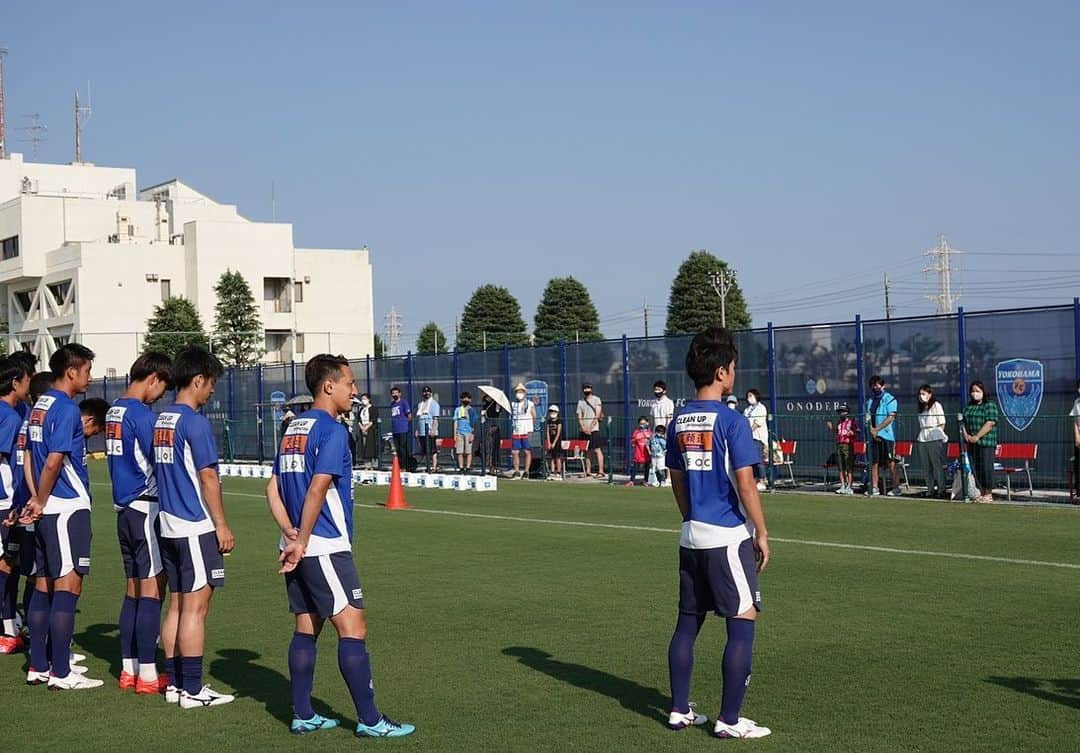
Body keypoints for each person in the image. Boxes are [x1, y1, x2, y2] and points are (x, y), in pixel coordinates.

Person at [266, 354, 415, 738]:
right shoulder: (332, 430)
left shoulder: (292, 428)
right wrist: (302, 539)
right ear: (328, 386)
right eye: (350, 383)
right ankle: (370, 721)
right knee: (353, 628)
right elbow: (318, 487)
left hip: (297, 543)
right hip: (324, 545)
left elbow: (272, 487)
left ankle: (302, 713)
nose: (355, 390)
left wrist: (290, 534)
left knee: (306, 626)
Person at [665, 326, 771, 739]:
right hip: (727, 536)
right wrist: (761, 531)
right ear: (724, 371)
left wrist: (689, 516)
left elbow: (675, 477)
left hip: (691, 534)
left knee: (688, 620)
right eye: (733, 368)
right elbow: (745, 482)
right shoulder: (732, 420)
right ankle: (729, 720)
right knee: (742, 619)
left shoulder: (678, 419)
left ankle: (679, 710)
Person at [153, 346, 235, 708]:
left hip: (168, 524)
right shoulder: (194, 422)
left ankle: (174, 684)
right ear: (198, 380)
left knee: (177, 604)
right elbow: (208, 477)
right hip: (193, 525)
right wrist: (221, 525)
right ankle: (193, 689)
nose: (212, 390)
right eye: (211, 383)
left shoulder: (162, 419)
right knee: (195, 609)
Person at [20, 343, 103, 690]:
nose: (89, 376)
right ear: (71, 371)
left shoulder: (39, 404)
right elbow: (53, 460)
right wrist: (41, 499)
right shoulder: (67, 408)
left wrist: (34, 498)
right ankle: (62, 672)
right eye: (86, 370)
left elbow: (27, 455)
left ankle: (38, 666)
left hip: (47, 509)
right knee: (68, 586)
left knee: (43, 586)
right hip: (66, 508)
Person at [105, 352, 174, 694]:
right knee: (151, 589)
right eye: (162, 387)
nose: (162, 394)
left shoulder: (114, 409)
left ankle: (129, 668)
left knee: (132, 587)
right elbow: (161, 459)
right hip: (145, 507)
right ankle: (148, 674)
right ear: (153, 378)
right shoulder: (141, 415)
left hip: (123, 509)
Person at [0, 355, 32, 654]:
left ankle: (10, 623)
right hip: (4, 499)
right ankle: (7, 626)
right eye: (27, 378)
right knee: (8, 562)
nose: (30, 383)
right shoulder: (9, 416)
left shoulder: (16, 410)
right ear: (15, 382)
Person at [961, 380, 999, 503]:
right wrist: (966, 435)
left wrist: (977, 436)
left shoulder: (990, 405)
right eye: (972, 391)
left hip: (986, 443)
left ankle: (988, 494)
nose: (974, 393)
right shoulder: (968, 407)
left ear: (983, 392)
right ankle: (981, 492)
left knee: (986, 468)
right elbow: (962, 422)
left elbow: (990, 422)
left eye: (977, 391)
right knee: (976, 468)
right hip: (971, 443)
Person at [864, 376, 901, 497]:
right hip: (874, 437)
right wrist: (871, 431)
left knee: (891, 462)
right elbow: (867, 417)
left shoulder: (890, 399)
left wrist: (877, 429)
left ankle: (896, 488)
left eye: (877, 385)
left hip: (887, 437)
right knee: (874, 463)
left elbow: (891, 417)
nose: (875, 387)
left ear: (883, 386)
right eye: (873, 385)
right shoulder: (870, 401)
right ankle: (874, 488)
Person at [914, 385, 948, 499]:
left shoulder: (936, 405)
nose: (921, 396)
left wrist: (938, 435)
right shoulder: (921, 407)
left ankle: (941, 489)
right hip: (922, 437)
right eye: (920, 394)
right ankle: (930, 490)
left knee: (936, 465)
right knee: (926, 466)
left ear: (930, 394)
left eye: (923, 393)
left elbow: (942, 422)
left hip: (934, 437)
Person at [825, 404, 858, 495]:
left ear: (847, 412)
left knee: (849, 467)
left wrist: (852, 433)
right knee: (841, 467)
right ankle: (843, 485)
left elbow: (856, 431)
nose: (841, 413)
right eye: (840, 412)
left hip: (848, 445)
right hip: (839, 445)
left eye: (843, 411)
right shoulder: (839, 422)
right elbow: (837, 432)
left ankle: (849, 487)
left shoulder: (852, 422)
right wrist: (831, 428)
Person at [575, 383, 605, 478]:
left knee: (597, 450)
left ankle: (601, 471)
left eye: (588, 388)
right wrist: (583, 428)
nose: (586, 390)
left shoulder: (597, 399)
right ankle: (588, 471)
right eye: (584, 388)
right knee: (586, 450)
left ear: (591, 389)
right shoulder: (580, 402)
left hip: (594, 430)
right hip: (583, 430)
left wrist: (590, 428)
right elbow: (579, 416)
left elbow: (597, 415)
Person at [743, 389, 768, 492]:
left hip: (757, 438)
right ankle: (753, 480)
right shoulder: (747, 410)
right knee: (750, 461)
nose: (749, 398)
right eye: (748, 396)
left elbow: (758, 423)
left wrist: (749, 431)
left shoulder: (761, 408)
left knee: (758, 461)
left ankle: (762, 481)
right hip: (748, 438)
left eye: (751, 396)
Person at [509, 384, 536, 480]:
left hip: (527, 431)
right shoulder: (513, 404)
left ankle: (526, 471)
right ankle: (516, 471)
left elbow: (534, 416)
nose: (519, 394)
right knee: (515, 452)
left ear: (524, 393)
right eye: (517, 392)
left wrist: (531, 428)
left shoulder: (530, 404)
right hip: (516, 431)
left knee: (527, 451)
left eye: (521, 392)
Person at [414, 386, 440, 472]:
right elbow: (419, 418)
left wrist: (433, 429)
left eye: (428, 392)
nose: (426, 394)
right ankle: (427, 466)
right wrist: (417, 430)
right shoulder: (420, 404)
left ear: (431, 393)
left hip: (429, 430)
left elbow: (435, 419)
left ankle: (434, 467)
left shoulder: (434, 404)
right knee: (424, 450)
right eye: (425, 392)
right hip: (422, 431)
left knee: (432, 450)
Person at [453, 392, 478, 474]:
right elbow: (455, 422)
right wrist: (455, 434)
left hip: (468, 432)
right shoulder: (458, 409)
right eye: (463, 398)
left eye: (467, 398)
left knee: (468, 451)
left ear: (470, 400)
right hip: (459, 432)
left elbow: (474, 423)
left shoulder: (472, 410)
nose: (465, 400)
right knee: (459, 451)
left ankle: (468, 467)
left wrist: (472, 434)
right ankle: (461, 467)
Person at [388, 386, 411, 468]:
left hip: (403, 429)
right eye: (393, 393)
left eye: (396, 393)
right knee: (397, 449)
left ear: (399, 394)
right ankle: (400, 466)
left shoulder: (403, 402)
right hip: (395, 430)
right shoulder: (392, 404)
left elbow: (409, 415)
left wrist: (404, 423)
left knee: (403, 448)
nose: (394, 394)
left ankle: (405, 466)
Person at [355, 394, 379, 470]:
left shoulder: (373, 408)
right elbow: (358, 419)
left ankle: (373, 464)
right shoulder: (361, 409)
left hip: (370, 429)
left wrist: (367, 427)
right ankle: (366, 463)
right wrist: (362, 427)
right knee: (363, 446)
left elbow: (374, 419)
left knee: (370, 446)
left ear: (369, 399)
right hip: (363, 428)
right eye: (362, 399)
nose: (363, 400)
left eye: (365, 399)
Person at [480, 393, 502, 475]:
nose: (487, 398)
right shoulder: (485, 406)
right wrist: (483, 415)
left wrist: (498, 406)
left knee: (494, 448)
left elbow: (498, 412)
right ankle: (489, 467)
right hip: (487, 428)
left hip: (495, 428)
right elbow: (483, 418)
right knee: (488, 448)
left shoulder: (496, 404)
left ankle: (494, 467)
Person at [627, 417, 651, 487]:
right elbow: (633, 441)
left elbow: (651, 441)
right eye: (640, 423)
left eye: (643, 423)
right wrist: (634, 441)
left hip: (646, 453)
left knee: (647, 468)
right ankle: (631, 481)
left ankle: (645, 481)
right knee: (634, 468)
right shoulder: (636, 432)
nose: (642, 425)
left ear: (647, 423)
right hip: (638, 453)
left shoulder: (649, 432)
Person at [543, 405, 563, 480]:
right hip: (550, 442)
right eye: (551, 411)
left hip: (557, 442)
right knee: (552, 458)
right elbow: (547, 432)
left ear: (557, 412)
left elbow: (558, 433)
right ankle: (552, 473)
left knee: (557, 457)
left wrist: (554, 442)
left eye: (554, 411)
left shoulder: (559, 421)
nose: (552, 413)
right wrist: (549, 442)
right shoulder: (548, 421)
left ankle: (558, 473)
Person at [1071, 380, 1080, 499]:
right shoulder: (1076, 402)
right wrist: (1077, 437)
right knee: (1078, 466)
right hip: (1079, 439)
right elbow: (1075, 421)